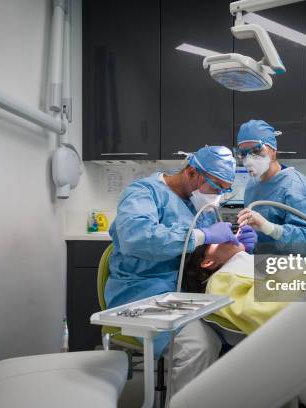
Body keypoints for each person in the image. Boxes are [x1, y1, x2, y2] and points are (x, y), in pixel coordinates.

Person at [105, 145, 257, 395]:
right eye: (215, 187)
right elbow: (136, 238)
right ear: (192, 172)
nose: (217, 196)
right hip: (142, 292)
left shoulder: (201, 206)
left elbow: (205, 253)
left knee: (250, 334)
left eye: (224, 190)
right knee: (198, 347)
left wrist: (242, 246)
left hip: (191, 293)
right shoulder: (144, 193)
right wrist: (201, 235)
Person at [235, 120, 306, 251]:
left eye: (256, 150)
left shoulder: (297, 187)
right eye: (243, 153)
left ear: (273, 150)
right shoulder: (252, 185)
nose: (249, 159)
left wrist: (268, 227)